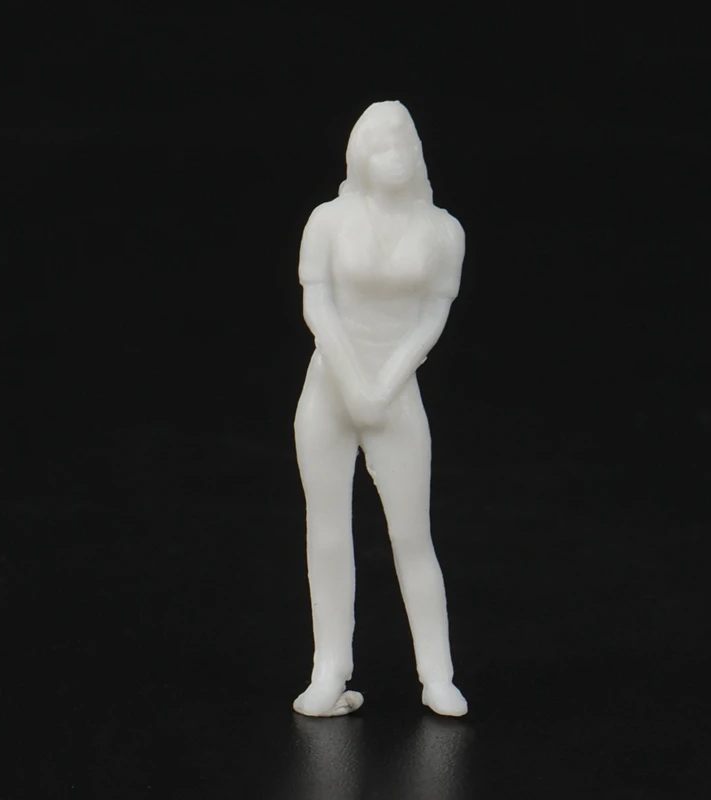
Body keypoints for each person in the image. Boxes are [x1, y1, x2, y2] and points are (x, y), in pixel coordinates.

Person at [293, 100, 467, 717]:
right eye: (382, 146)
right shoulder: (327, 221)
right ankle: (329, 670)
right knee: (327, 533)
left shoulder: (443, 231)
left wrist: (384, 385)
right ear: (360, 156)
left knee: (411, 534)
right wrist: (353, 384)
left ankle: (437, 675)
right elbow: (318, 309)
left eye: (405, 144)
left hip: (396, 396)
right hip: (329, 393)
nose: (396, 157)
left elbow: (431, 320)